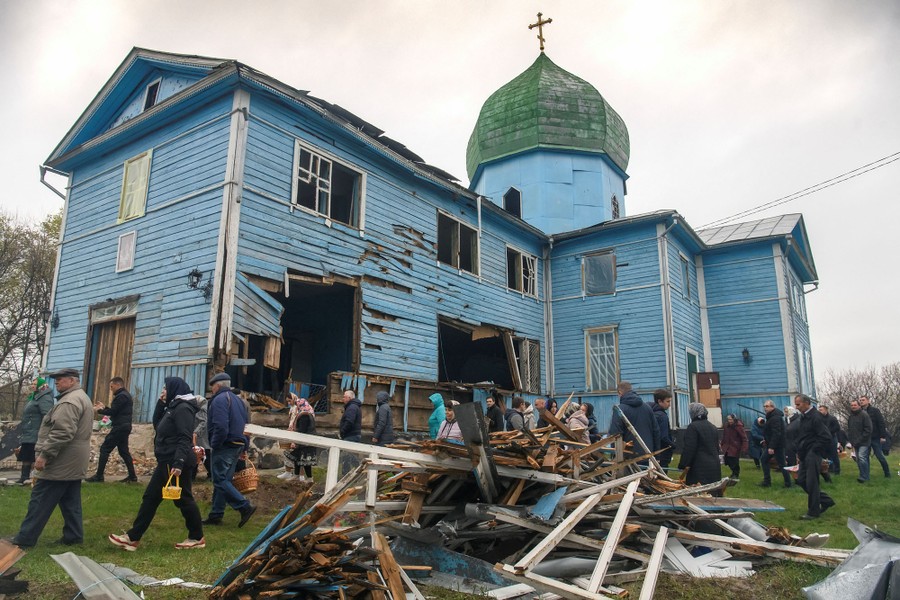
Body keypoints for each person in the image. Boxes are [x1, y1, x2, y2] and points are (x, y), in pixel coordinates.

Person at [108, 376, 205, 550]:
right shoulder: (173, 407)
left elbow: (185, 437)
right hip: (167, 459)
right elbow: (157, 425)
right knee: (155, 498)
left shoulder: (183, 408)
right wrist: (161, 404)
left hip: (174, 460)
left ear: (175, 389)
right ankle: (133, 537)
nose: (162, 392)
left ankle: (196, 537)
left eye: (165, 389)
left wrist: (179, 462)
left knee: (180, 499)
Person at [11, 368, 92, 548]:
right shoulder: (81, 397)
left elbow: (62, 432)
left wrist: (45, 455)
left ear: (72, 381)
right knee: (70, 501)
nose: (57, 382)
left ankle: (25, 539)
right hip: (74, 460)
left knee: (40, 498)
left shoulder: (69, 402)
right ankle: (73, 536)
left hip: (61, 460)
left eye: (60, 380)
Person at [201, 372, 256, 528]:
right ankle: (216, 514)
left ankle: (244, 507)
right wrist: (245, 445)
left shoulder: (219, 400)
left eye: (212, 387)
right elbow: (246, 426)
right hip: (237, 444)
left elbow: (220, 426)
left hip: (225, 444)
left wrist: (215, 444)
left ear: (218, 386)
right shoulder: (239, 401)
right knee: (224, 480)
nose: (211, 390)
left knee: (219, 480)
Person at [87, 377, 137, 483]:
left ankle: (99, 476)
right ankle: (132, 477)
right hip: (124, 427)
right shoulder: (124, 395)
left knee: (105, 449)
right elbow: (116, 410)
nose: (111, 389)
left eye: (111, 386)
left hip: (120, 427)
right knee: (124, 452)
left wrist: (99, 410)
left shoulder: (121, 396)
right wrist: (104, 407)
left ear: (118, 385)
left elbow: (113, 412)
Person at [794, 394, 835, 520]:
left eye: (798, 404)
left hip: (813, 453)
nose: (796, 407)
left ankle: (813, 511)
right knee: (801, 480)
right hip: (805, 453)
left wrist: (814, 449)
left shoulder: (816, 417)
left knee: (812, 482)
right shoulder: (804, 417)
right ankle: (826, 500)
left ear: (806, 403)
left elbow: (826, 436)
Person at [15, 377, 54, 485]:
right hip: (29, 431)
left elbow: (47, 415)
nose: (32, 385)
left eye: (35, 383)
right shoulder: (34, 397)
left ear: (41, 385)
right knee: (27, 455)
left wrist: (43, 431)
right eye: (32, 383)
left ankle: (36, 479)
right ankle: (24, 477)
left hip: (36, 431)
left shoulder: (45, 398)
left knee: (33, 456)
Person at [678, 403, 723, 494]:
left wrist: (683, 464)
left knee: (699, 494)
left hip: (699, 467)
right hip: (714, 465)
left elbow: (689, 448)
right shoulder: (712, 427)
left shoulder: (693, 427)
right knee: (712, 493)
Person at [609, 381, 660, 459]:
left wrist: (614, 454)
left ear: (619, 392)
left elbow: (615, 433)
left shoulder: (619, 410)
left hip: (629, 455)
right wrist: (656, 454)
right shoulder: (648, 408)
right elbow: (656, 431)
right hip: (648, 453)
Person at [759, 400, 792, 488]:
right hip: (772, 444)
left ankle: (787, 483)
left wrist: (772, 447)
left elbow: (776, 433)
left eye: (767, 406)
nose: (765, 408)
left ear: (772, 407)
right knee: (765, 460)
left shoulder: (775, 418)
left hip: (777, 445)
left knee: (781, 464)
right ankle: (767, 481)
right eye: (764, 406)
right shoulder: (771, 417)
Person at [284, 397, 318, 481]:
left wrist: (295, 439)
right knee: (299, 458)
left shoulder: (304, 416)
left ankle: (309, 478)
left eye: (298, 406)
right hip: (306, 442)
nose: (297, 408)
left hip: (305, 443)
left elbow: (302, 430)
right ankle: (297, 475)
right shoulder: (307, 413)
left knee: (305, 461)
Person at [859, 396, 891, 478]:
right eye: (860, 400)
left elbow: (881, 423)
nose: (861, 401)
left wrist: (882, 436)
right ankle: (866, 475)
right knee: (865, 457)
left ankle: (887, 472)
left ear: (868, 401)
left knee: (879, 456)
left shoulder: (875, 411)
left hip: (875, 437)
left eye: (863, 400)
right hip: (865, 438)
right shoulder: (860, 412)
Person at [846, 398, 873, 483]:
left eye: (855, 405)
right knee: (858, 459)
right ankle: (864, 475)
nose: (853, 407)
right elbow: (850, 429)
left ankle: (864, 477)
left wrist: (860, 439)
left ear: (859, 406)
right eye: (852, 405)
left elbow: (868, 429)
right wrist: (850, 440)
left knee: (862, 457)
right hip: (855, 442)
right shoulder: (851, 416)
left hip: (864, 441)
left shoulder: (864, 415)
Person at [651, 389, 675, 469]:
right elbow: (664, 437)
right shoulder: (662, 416)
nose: (669, 404)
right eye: (668, 401)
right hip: (663, 451)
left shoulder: (651, 413)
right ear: (660, 401)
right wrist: (673, 445)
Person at [721, 414, 748, 480]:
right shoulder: (726, 426)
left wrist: (744, 447)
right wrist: (722, 444)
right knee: (727, 460)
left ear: (734, 419)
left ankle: (736, 474)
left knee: (734, 461)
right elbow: (724, 436)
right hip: (727, 445)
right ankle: (733, 472)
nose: (729, 421)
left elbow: (744, 438)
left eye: (730, 419)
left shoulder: (739, 426)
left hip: (735, 447)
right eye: (728, 419)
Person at [818, 405, 842, 475]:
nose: (820, 411)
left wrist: (828, 431)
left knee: (834, 455)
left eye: (821, 410)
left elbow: (837, 428)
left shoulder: (832, 418)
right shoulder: (819, 419)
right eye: (819, 410)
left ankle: (837, 470)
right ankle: (829, 469)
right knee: (825, 455)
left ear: (826, 410)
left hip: (832, 439)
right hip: (823, 439)